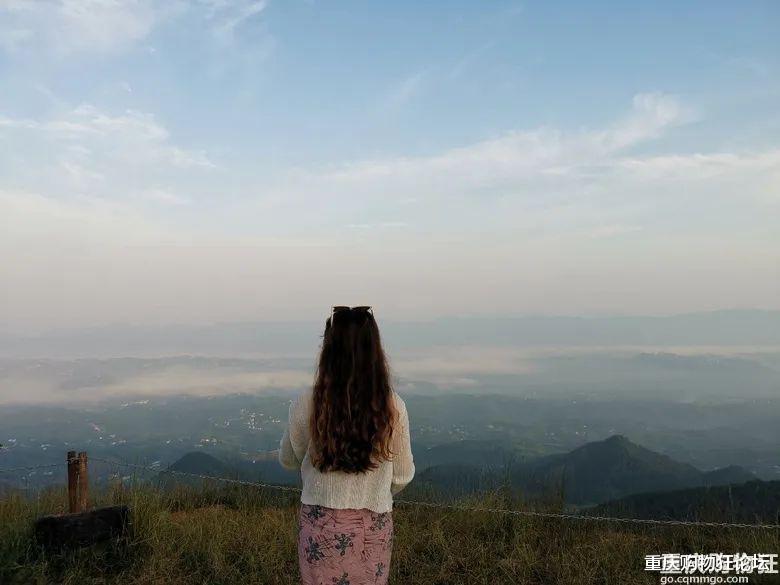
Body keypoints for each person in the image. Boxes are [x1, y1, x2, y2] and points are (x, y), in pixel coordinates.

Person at [279, 306, 415, 585]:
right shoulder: (394, 407)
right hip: (373, 525)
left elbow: (289, 459)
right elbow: (402, 476)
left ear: (328, 350)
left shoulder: (306, 403)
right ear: (375, 350)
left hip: (320, 523)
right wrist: (372, 488)